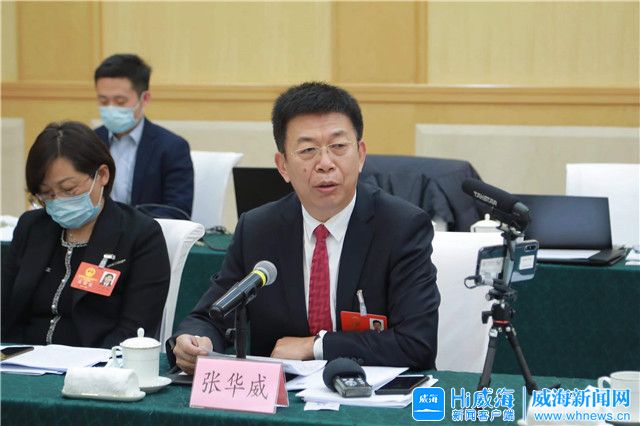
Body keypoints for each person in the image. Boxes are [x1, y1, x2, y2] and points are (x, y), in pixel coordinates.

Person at [168, 82, 439, 373]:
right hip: (281, 395)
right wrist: (195, 341)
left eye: (338, 147)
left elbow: (417, 343)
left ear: (360, 155)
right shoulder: (258, 229)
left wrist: (316, 346)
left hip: (370, 392)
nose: (325, 163)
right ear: (283, 165)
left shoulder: (401, 227)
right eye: (308, 150)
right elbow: (210, 316)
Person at [1, 121, 171, 348]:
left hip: (95, 362)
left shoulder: (140, 235)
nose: (58, 201)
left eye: (69, 189)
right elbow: (5, 308)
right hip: (21, 359)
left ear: (102, 175)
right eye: (46, 194)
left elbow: (134, 330)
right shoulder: (32, 227)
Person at [94, 53, 194, 219]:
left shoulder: (172, 147)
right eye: (103, 101)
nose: (111, 108)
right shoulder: (89, 142)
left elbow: (178, 211)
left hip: (147, 231)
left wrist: (128, 226)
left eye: (120, 101)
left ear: (145, 98)